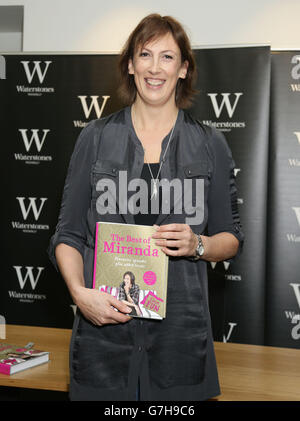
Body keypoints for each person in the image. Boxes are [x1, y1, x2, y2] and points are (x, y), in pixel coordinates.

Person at [48, 13, 244, 401]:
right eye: (145, 54)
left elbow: (231, 238)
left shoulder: (209, 144)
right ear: (130, 65)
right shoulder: (95, 138)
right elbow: (67, 234)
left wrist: (197, 245)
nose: (155, 68)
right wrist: (78, 292)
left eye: (168, 57)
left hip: (180, 344)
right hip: (102, 340)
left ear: (184, 68)